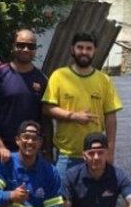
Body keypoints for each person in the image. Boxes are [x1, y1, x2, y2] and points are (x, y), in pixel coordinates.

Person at [42, 32, 123, 177]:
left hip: (96, 155)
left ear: (94, 51)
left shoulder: (104, 80)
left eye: (88, 48)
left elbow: (111, 118)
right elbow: (47, 108)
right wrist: (73, 116)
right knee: (63, 198)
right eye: (80, 47)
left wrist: (110, 151)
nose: (84, 52)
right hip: (66, 155)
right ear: (72, 49)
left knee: (93, 199)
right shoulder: (59, 76)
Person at [0, 29, 49, 162]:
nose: (25, 49)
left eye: (30, 46)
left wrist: (47, 151)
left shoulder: (42, 79)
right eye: (20, 45)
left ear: (35, 49)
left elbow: (46, 120)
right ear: (13, 46)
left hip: (31, 154)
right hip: (1, 152)